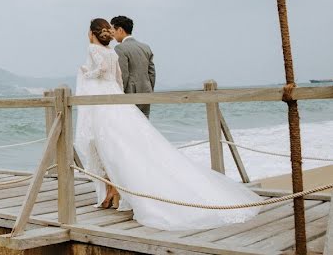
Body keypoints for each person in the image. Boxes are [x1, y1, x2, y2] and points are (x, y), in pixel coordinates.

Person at [74, 18, 259, 230]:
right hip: (127, 101)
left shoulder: (99, 50)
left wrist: (85, 73)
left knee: (112, 148)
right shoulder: (142, 48)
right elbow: (139, 75)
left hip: (109, 103)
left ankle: (116, 192)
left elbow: (109, 75)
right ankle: (118, 193)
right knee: (133, 145)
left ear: (94, 33)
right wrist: (137, 97)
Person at [111, 15, 155, 117]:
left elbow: (123, 75)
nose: (112, 35)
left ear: (120, 30)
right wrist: (149, 89)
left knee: (129, 126)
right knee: (144, 125)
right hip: (147, 93)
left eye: (113, 30)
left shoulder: (120, 48)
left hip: (130, 94)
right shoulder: (145, 47)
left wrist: (119, 95)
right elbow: (152, 73)